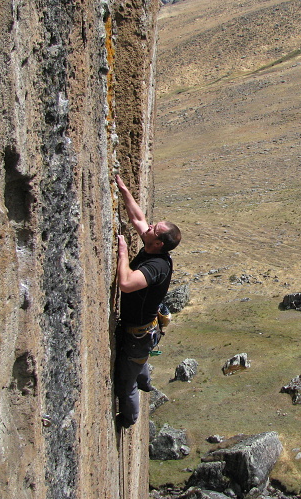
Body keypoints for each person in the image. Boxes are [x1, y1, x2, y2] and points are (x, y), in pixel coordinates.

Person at [114, 174, 181, 429]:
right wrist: (123, 190)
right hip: (143, 330)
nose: (149, 226)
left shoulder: (156, 265)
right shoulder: (153, 244)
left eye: (154, 229)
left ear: (158, 242)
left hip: (137, 334)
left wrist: (122, 254)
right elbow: (137, 218)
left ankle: (129, 418)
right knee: (137, 363)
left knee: (125, 382)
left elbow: (127, 283)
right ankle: (145, 379)